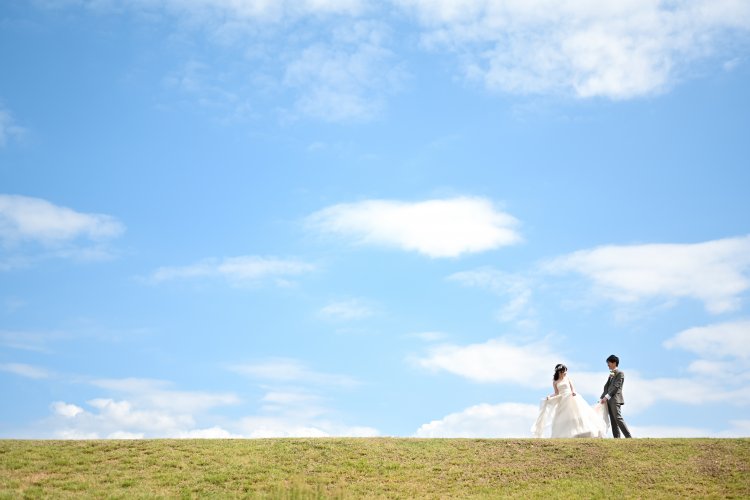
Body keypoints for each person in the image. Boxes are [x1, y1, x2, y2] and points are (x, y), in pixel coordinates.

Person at [532, 364, 609, 438]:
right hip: (562, 399)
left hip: (571, 397)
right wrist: (549, 396)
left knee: (576, 414)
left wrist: (573, 392)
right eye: (563, 371)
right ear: (559, 372)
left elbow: (572, 388)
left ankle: (582, 431)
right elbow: (556, 393)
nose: (565, 373)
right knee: (564, 417)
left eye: (565, 371)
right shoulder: (555, 382)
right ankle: (566, 434)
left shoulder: (567, 378)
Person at [599, 354, 632, 438]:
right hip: (608, 400)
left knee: (618, 418)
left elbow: (616, 387)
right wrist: (602, 397)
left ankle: (628, 437)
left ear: (614, 363)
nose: (608, 365)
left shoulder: (620, 373)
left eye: (609, 362)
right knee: (613, 420)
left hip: (615, 399)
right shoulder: (612, 373)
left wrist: (606, 397)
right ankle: (616, 438)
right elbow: (606, 386)